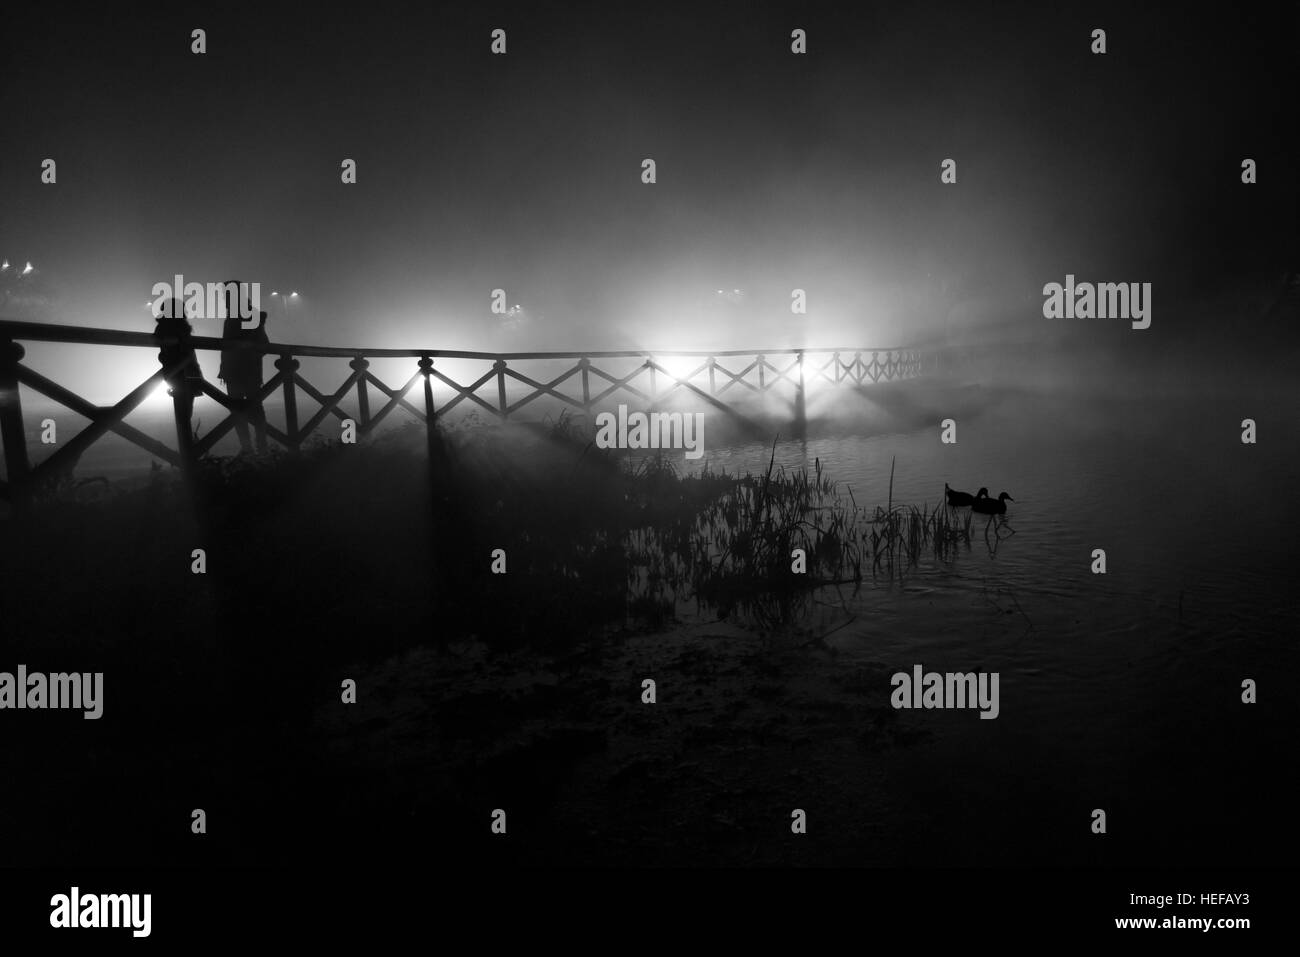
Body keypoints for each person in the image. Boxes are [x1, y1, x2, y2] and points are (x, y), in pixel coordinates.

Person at [218, 283, 269, 453]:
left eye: (227, 295)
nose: (224, 299)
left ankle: (251, 448)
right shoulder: (247, 315)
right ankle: (258, 448)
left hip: (240, 372)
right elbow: (263, 345)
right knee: (252, 409)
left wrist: (240, 358)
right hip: (246, 372)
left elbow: (262, 344)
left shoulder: (240, 316)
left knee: (240, 410)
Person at [153, 296, 205, 461]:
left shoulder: (162, 329)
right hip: (189, 374)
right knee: (185, 415)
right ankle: (190, 455)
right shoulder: (184, 329)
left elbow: (165, 352)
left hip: (176, 375)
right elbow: (188, 355)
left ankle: (187, 457)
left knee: (182, 416)